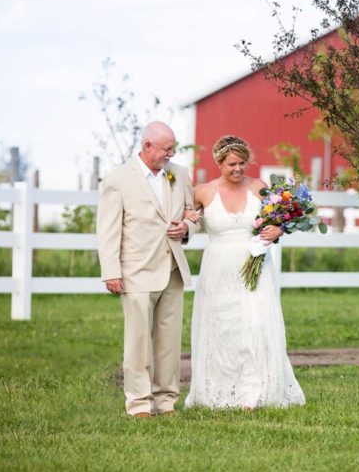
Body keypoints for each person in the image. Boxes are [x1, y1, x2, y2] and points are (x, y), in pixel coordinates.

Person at [184, 135, 305, 409]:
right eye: (231, 164)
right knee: (223, 328)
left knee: (255, 323)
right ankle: (219, 391)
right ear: (219, 163)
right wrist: (188, 216)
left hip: (255, 264)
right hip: (218, 269)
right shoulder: (202, 191)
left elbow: (279, 219)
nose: (238, 169)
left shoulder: (259, 188)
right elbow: (185, 216)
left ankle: (256, 391)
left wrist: (279, 230)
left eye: (242, 163)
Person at [96, 121, 199, 418]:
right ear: (147, 147)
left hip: (172, 269)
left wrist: (187, 227)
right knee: (139, 341)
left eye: (174, 147)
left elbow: (193, 213)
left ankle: (166, 401)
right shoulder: (118, 179)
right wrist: (111, 270)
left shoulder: (179, 174)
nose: (172, 153)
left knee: (168, 342)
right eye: (167, 148)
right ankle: (139, 403)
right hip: (136, 271)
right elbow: (108, 229)